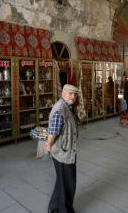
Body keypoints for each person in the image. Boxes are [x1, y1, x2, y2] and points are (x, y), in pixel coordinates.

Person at [46, 84, 79, 213]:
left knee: (62, 180)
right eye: (70, 94)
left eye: (75, 94)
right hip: (63, 153)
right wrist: (48, 145)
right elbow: (53, 132)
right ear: (63, 94)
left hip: (66, 150)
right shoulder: (60, 109)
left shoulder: (68, 106)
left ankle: (53, 207)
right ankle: (64, 210)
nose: (73, 96)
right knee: (68, 183)